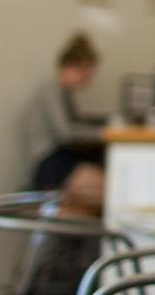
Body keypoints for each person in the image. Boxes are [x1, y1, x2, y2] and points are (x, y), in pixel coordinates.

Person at [26, 32, 107, 212]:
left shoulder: (62, 92)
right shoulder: (51, 91)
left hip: (60, 159)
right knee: (111, 192)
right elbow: (66, 133)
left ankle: (77, 239)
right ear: (74, 66)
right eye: (87, 74)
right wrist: (104, 133)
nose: (88, 80)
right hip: (51, 164)